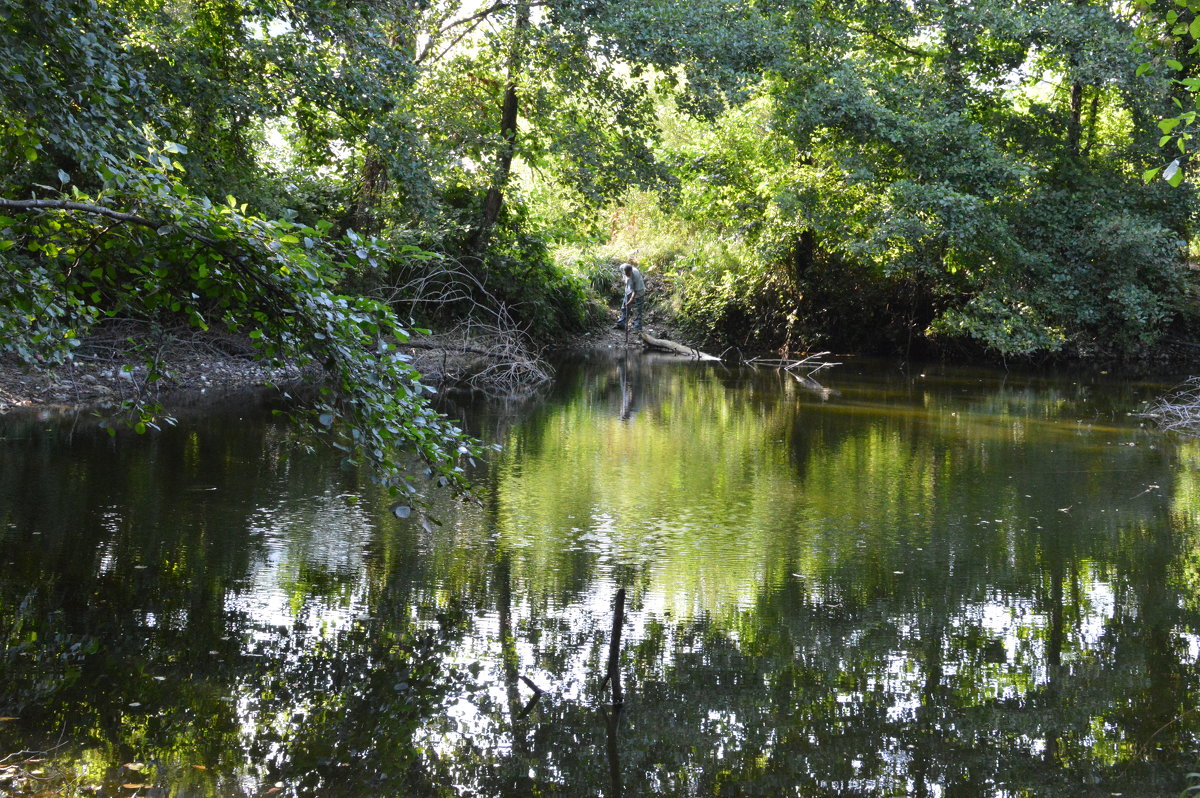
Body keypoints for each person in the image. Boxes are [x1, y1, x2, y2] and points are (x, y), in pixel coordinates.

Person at [614, 262, 645, 332]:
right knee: (624, 307)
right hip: (628, 289)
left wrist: (630, 301)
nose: (627, 275)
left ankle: (637, 328)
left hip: (639, 291)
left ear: (631, 271)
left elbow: (635, 292)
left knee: (638, 310)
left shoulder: (636, 275)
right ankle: (621, 324)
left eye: (628, 274)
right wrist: (624, 279)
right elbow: (623, 275)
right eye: (626, 274)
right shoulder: (622, 267)